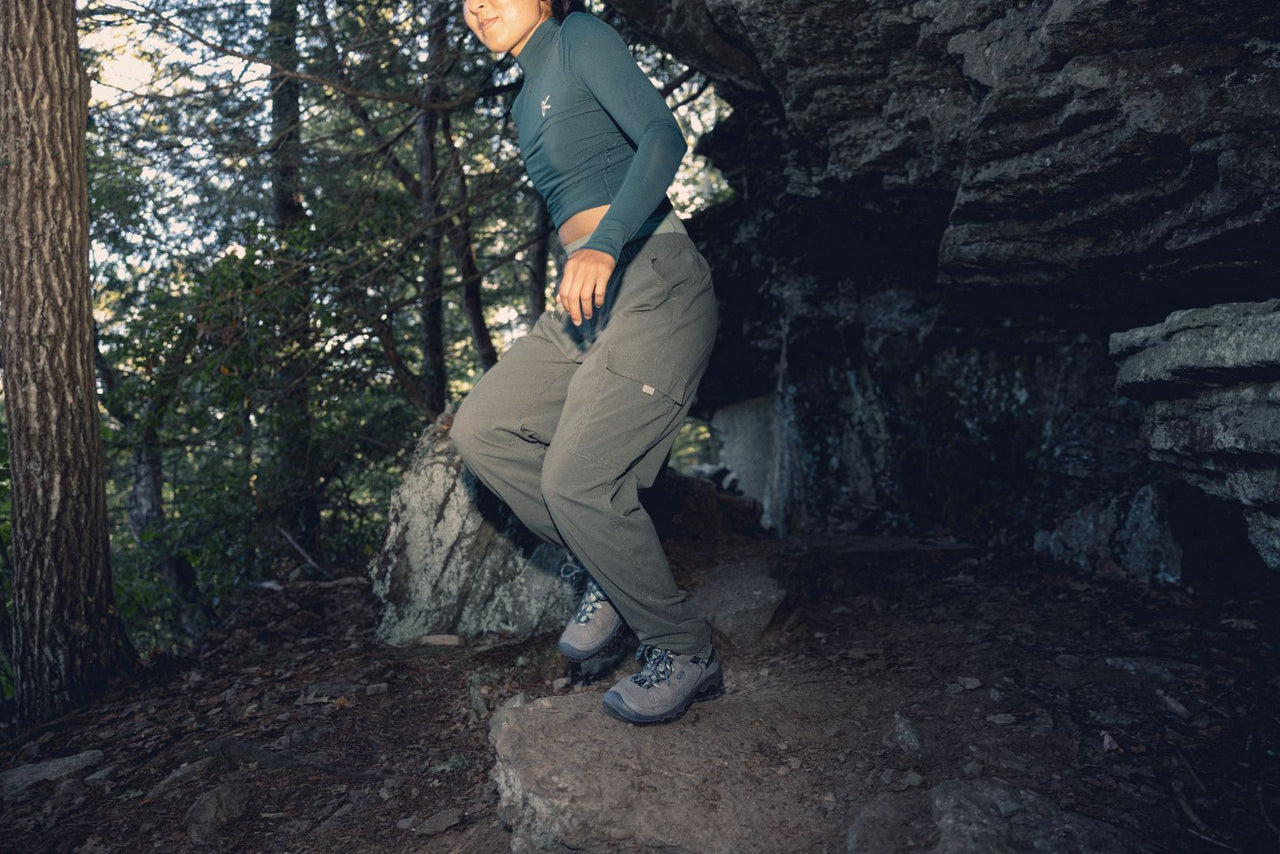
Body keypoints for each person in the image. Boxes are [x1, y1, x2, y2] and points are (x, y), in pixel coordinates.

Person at [452, 0, 721, 724]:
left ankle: (684, 649)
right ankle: (603, 571)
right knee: (482, 428)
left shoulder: (578, 37)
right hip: (586, 306)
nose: (476, 5)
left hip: (653, 276)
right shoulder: (521, 102)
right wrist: (587, 258)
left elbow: (661, 137)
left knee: (575, 479)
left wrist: (604, 242)